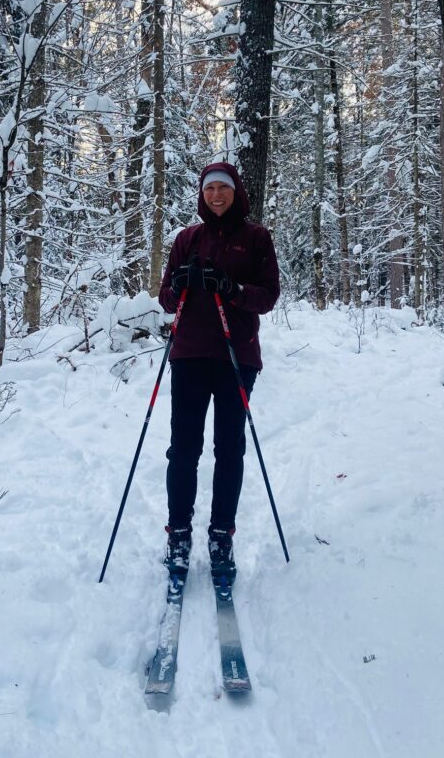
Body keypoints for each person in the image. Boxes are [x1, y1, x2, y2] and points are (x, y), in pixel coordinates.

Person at [158, 161, 280, 585]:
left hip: (236, 356)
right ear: (202, 194)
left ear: (235, 192)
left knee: (229, 450)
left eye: (223, 189)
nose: (216, 195)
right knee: (183, 450)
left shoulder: (256, 238)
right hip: (190, 354)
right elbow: (166, 300)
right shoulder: (187, 239)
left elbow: (268, 296)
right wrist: (181, 284)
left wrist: (231, 289)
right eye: (209, 189)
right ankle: (178, 533)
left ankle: (220, 534)